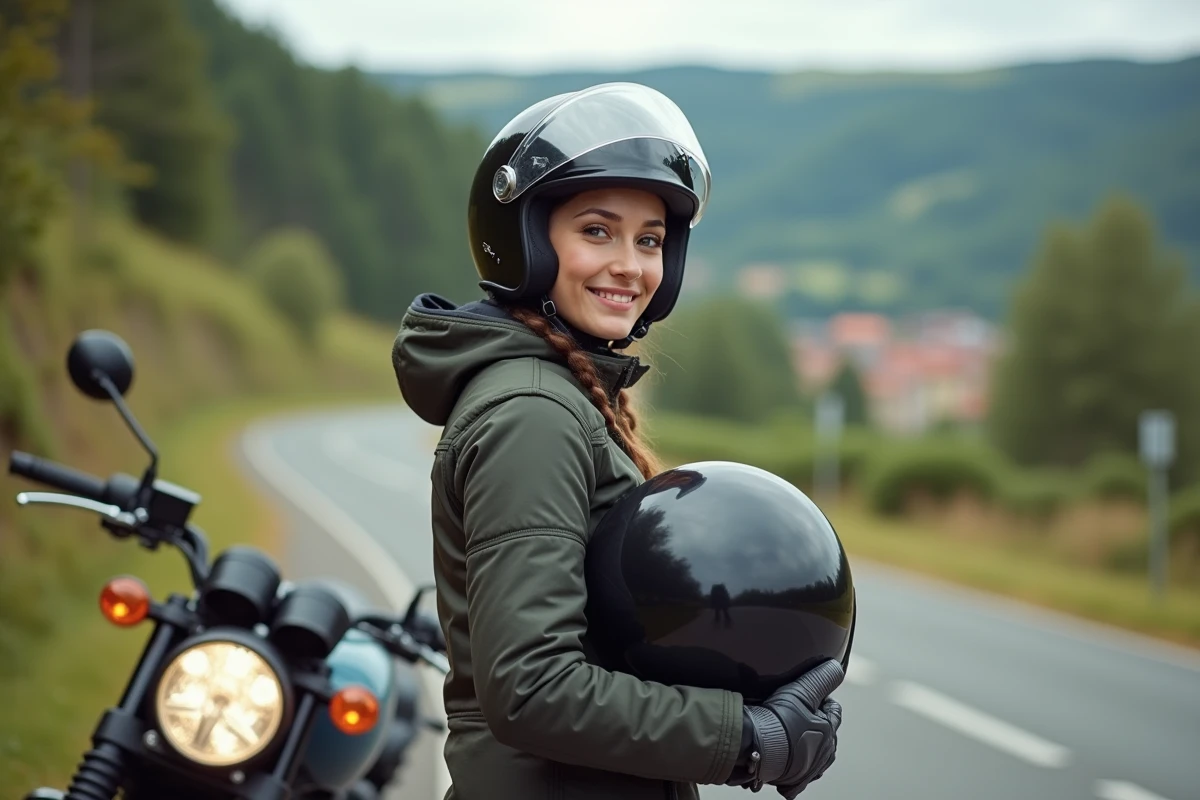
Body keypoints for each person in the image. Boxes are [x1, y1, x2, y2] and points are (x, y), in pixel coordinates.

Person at [393, 83, 844, 800]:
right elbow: (533, 687)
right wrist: (746, 738)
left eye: (650, 240)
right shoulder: (532, 414)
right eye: (597, 231)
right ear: (526, 241)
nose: (630, 265)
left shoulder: (563, 395)